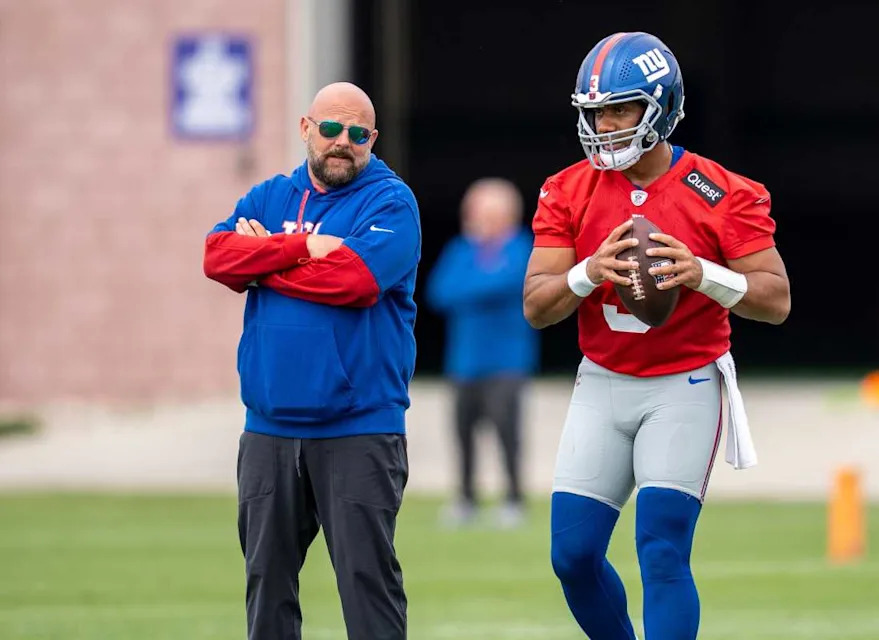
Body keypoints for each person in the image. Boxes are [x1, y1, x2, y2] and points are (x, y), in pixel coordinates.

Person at [522, 33, 791, 640]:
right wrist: (589, 272)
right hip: (602, 382)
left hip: (686, 383)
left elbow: (775, 299)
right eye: (596, 111)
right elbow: (538, 306)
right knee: (573, 556)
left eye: (621, 108)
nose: (606, 124)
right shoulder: (567, 189)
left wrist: (704, 273)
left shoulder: (720, 190)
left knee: (662, 549)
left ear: (661, 107)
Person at [203, 82, 420, 640]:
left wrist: (261, 258)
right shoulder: (271, 196)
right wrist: (299, 247)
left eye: (357, 134)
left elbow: (356, 280)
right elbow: (216, 257)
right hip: (269, 429)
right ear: (306, 129)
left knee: (366, 586)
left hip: (360, 425)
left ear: (372, 140)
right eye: (330, 129)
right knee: (266, 585)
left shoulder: (391, 201)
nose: (341, 142)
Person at [425, 178, 538, 528]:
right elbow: (439, 292)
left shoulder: (522, 247)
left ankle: (513, 499)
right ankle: (465, 498)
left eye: (485, 212)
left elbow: (512, 281)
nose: (475, 218)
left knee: (508, 433)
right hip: (464, 362)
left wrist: (471, 287)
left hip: (507, 361)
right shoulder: (461, 249)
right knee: (462, 434)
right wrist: (482, 285)